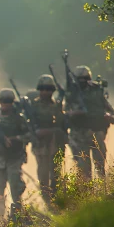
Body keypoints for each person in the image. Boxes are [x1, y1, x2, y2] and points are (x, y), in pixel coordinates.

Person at [65, 66, 114, 180]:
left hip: (97, 134)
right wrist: (74, 113)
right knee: (84, 172)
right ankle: (86, 191)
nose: (82, 81)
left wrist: (110, 117)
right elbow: (65, 114)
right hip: (79, 137)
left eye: (85, 78)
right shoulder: (71, 94)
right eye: (79, 79)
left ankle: (103, 190)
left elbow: (113, 114)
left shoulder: (97, 92)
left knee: (100, 169)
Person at [0, 88, 30, 220]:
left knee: (16, 188)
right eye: (3, 101)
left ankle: (16, 216)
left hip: (14, 158)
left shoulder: (19, 118)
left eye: (8, 101)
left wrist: (16, 139)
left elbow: (29, 135)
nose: (6, 104)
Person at [30, 75, 67, 206]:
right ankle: (48, 204)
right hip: (41, 146)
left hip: (56, 144)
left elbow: (63, 125)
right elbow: (29, 127)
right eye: (42, 89)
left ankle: (57, 202)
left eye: (48, 89)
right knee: (43, 176)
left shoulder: (58, 106)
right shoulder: (33, 106)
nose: (45, 92)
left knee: (56, 175)